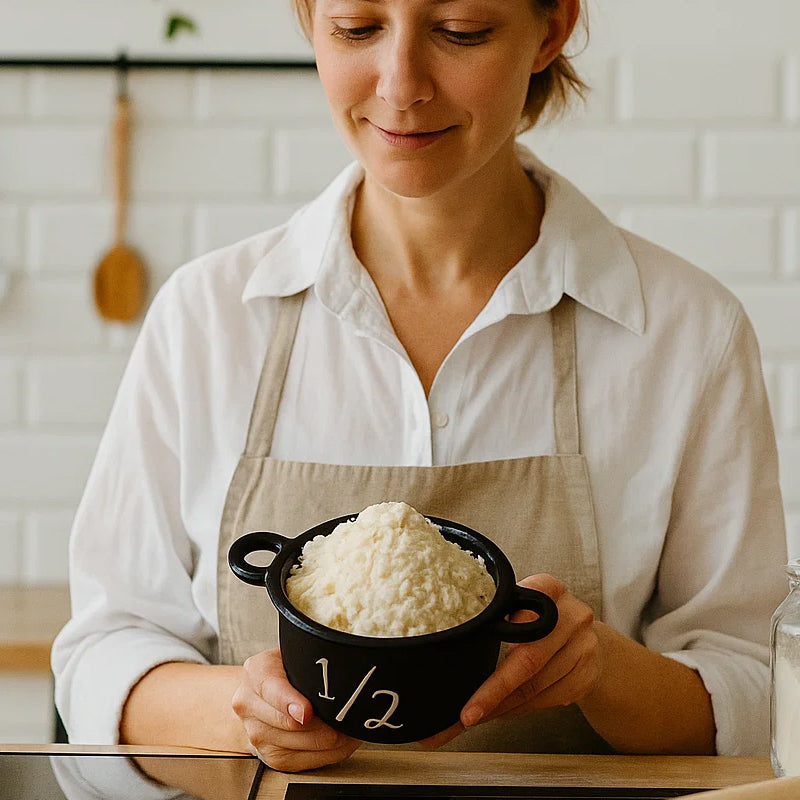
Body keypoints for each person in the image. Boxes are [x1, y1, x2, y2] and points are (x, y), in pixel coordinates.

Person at [52, 0, 788, 774]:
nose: (401, 87)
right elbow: (104, 651)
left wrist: (603, 670)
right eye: (356, 29)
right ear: (309, 19)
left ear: (552, 29)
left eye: (461, 31)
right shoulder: (208, 319)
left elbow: (758, 688)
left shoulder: (683, 332)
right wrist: (249, 712)